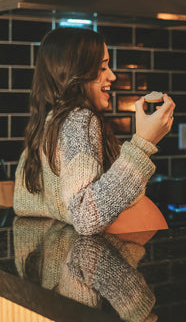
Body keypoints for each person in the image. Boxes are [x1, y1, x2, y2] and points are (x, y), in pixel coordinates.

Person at [13, 27, 175, 235]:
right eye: (102, 67)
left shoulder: (52, 119)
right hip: (116, 256)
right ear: (75, 71)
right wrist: (143, 143)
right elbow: (86, 214)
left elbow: (29, 200)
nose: (113, 76)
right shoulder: (78, 118)